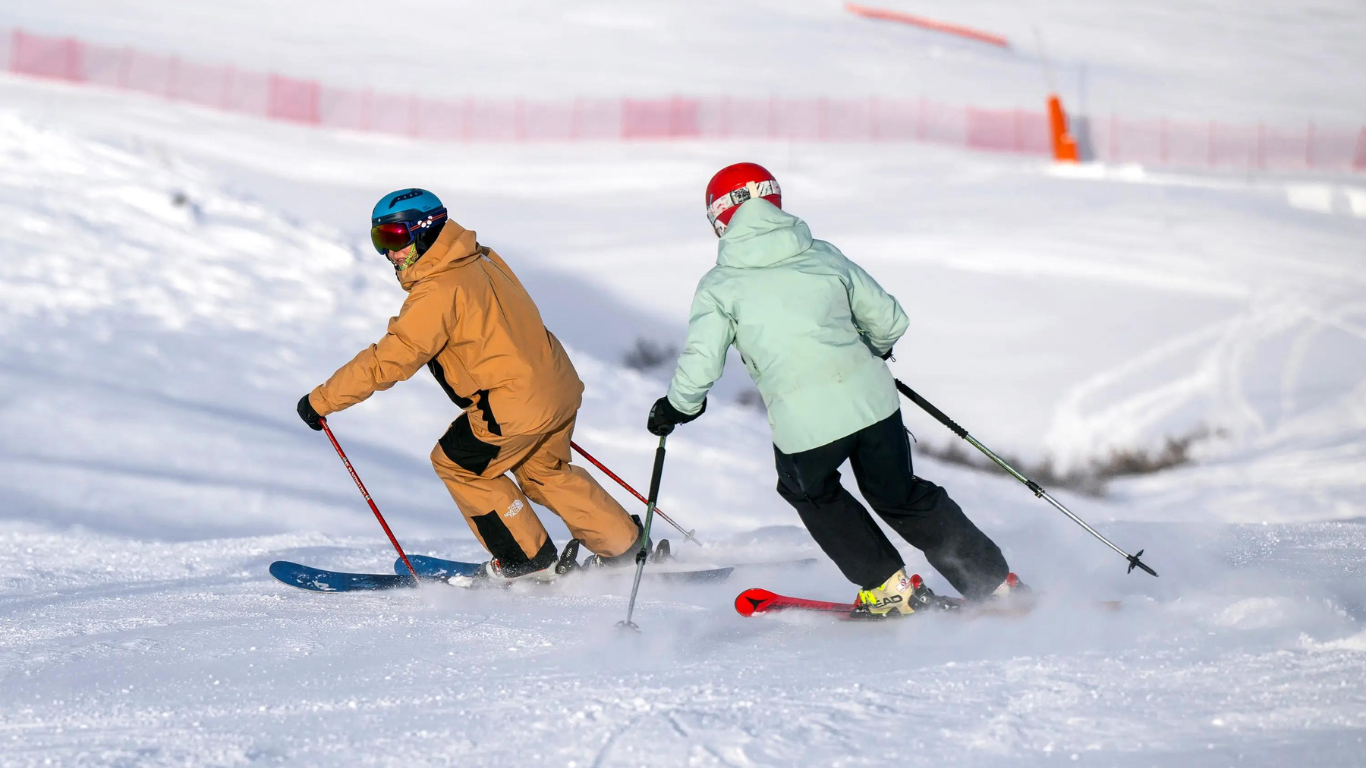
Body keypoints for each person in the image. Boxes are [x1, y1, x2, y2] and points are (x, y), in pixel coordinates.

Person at [647, 163, 1021, 617]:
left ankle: (887, 586)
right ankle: (993, 582)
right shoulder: (822, 254)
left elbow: (701, 364)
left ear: (721, 219)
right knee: (900, 495)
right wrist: (870, 352)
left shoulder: (720, 286)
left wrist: (677, 407)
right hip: (874, 402)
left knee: (809, 490)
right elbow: (888, 319)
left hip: (806, 425)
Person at [297, 188, 643, 581]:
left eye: (395, 237)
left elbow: (390, 359)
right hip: (557, 386)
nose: (388, 253)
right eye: (380, 240)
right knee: (544, 472)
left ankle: (528, 562)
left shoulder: (438, 290)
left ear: (425, 231)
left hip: (514, 403)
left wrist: (322, 400)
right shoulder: (482, 258)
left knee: (458, 464)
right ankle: (626, 549)